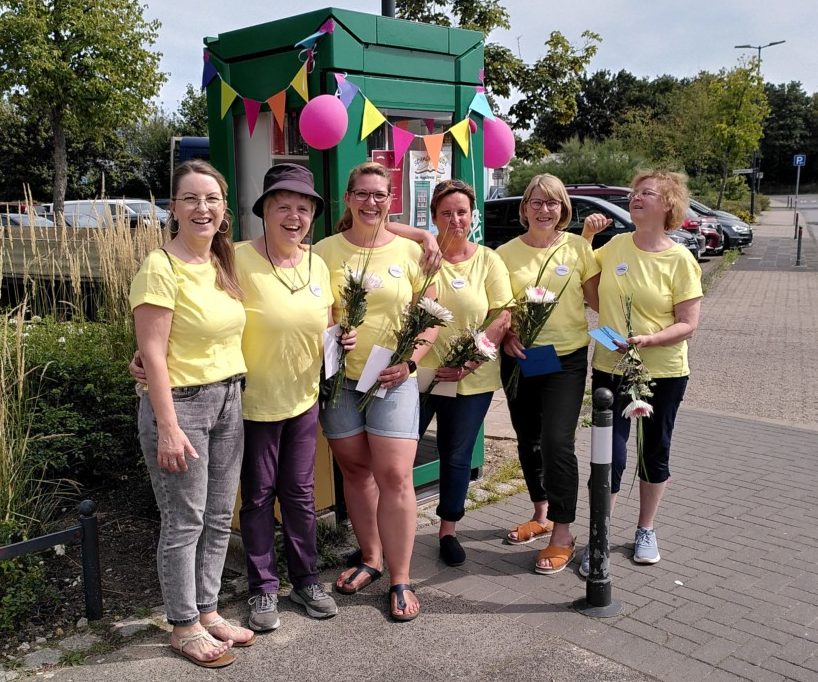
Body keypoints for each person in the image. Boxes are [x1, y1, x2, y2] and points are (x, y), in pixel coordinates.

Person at [129, 159, 254, 668]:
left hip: (229, 398)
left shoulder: (223, 263)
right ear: (174, 208)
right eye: (191, 199)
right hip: (181, 404)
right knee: (185, 520)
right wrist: (168, 427)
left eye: (212, 199)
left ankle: (207, 609)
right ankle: (182, 625)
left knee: (220, 516)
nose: (202, 208)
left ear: (224, 210)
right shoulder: (161, 266)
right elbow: (153, 354)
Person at [313, 161, 438, 622]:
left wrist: (410, 362)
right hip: (339, 380)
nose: (371, 203)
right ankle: (371, 557)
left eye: (379, 195)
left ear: (392, 202)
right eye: (362, 194)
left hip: (393, 380)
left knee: (396, 477)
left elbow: (431, 319)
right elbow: (314, 307)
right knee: (354, 470)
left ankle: (401, 576)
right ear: (348, 199)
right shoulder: (323, 252)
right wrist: (330, 332)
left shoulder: (411, 253)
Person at [236, 164, 357, 631]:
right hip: (252, 403)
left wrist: (339, 337)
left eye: (303, 208)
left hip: (304, 400)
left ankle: (306, 579)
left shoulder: (317, 264)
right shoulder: (237, 258)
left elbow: (326, 321)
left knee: (301, 495)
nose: (294, 216)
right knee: (259, 498)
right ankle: (263, 588)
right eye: (282, 206)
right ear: (264, 211)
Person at [581, 170, 702, 571]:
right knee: (610, 456)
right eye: (634, 192)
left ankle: (645, 529)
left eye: (646, 193)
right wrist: (584, 240)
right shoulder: (614, 246)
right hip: (610, 368)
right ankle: (600, 536)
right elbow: (591, 293)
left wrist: (648, 341)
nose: (636, 197)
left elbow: (688, 323)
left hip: (663, 372)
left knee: (654, 454)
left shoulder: (680, 259)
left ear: (668, 205)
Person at [496, 173, 607, 575]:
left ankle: (563, 531)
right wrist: (506, 333)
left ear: (564, 210)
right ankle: (540, 514)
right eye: (537, 202)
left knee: (557, 441)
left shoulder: (578, 248)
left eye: (553, 203)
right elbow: (497, 307)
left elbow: (598, 302)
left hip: (566, 359)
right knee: (528, 439)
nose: (545, 210)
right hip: (522, 358)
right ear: (524, 208)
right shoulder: (504, 253)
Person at [416, 179, 512, 567]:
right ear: (433, 216)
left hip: (470, 378)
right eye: (446, 213)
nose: (455, 220)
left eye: (462, 212)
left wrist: (471, 360)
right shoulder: (420, 256)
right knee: (397, 452)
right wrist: (423, 237)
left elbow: (501, 314)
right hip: (420, 373)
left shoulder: (488, 260)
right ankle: (383, 532)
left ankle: (448, 530)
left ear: (472, 215)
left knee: (455, 455)